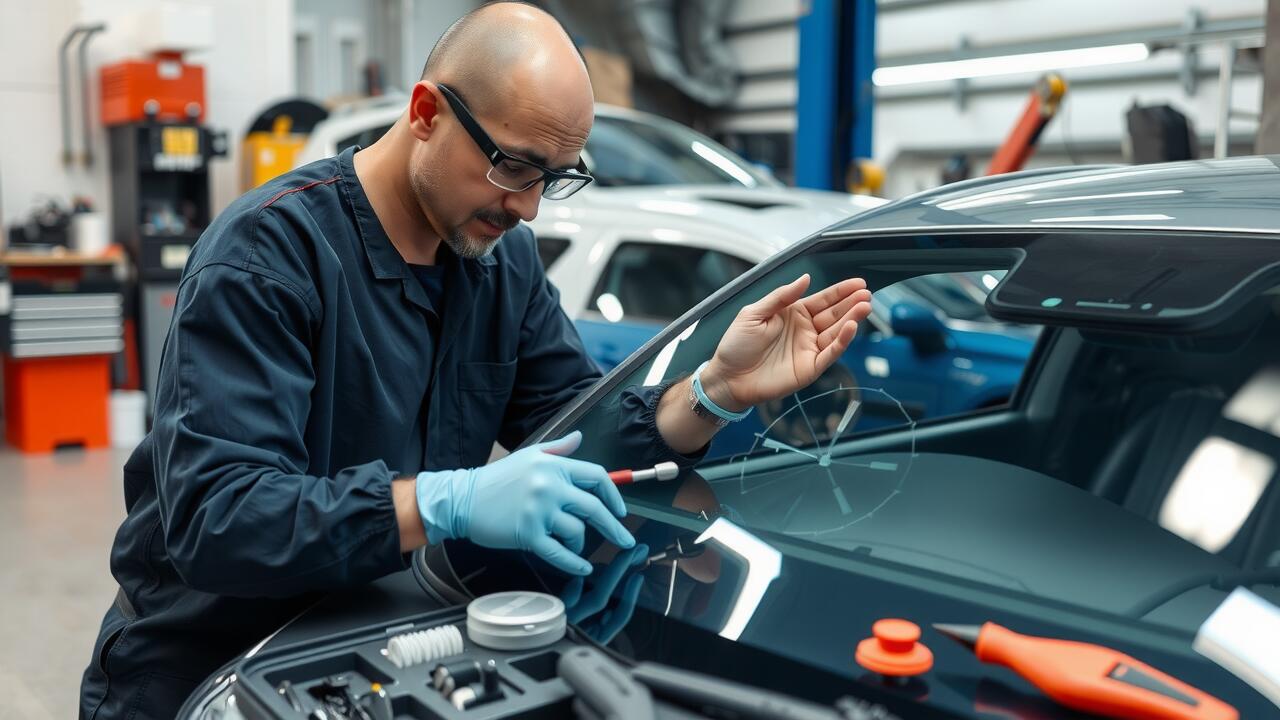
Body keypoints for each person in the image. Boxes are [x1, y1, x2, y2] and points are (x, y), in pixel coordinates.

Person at [79, 3, 872, 717]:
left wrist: (712, 391)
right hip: (204, 674)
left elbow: (578, 431)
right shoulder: (265, 256)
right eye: (514, 166)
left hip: (380, 659)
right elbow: (221, 521)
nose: (526, 207)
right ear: (426, 112)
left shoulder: (503, 266)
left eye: (553, 179)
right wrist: (446, 501)